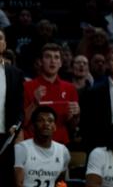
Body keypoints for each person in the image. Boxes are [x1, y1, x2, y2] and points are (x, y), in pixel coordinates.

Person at [22, 43, 79, 146]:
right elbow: (22, 123)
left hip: (60, 145)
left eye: (56, 57)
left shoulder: (70, 88)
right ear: (40, 62)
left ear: (61, 63)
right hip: (32, 144)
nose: (53, 61)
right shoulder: (27, 86)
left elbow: (72, 127)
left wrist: (76, 116)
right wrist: (34, 103)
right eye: (48, 57)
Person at [13, 106, 69, 187]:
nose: (46, 123)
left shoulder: (63, 151)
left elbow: (61, 182)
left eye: (50, 121)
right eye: (40, 120)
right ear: (33, 127)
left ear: (55, 127)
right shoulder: (21, 148)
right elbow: (18, 183)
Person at [1, 28, 25, 182]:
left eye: (0, 38)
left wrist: (16, 127)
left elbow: (19, 110)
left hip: (5, 139)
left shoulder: (15, 73)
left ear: (4, 44)